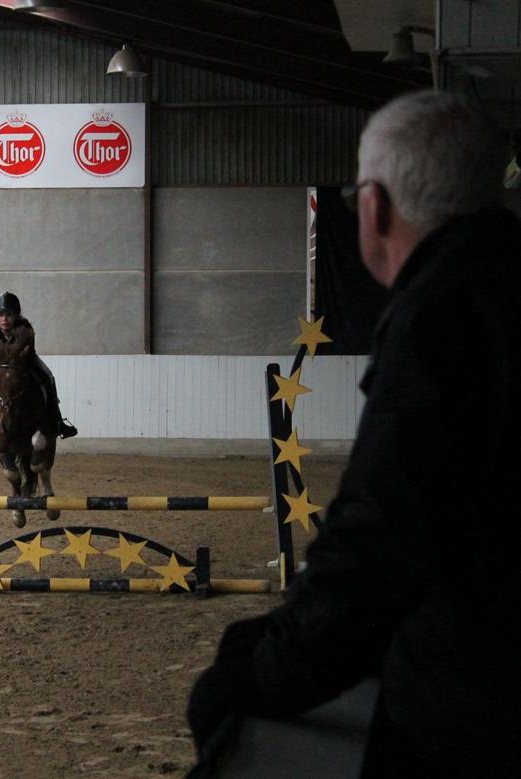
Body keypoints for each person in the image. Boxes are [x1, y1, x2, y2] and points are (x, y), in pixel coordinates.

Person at [186, 89, 521, 776]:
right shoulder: (497, 280)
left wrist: (270, 668)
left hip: (477, 711)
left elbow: (382, 536)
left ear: (376, 205)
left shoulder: (442, 316)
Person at [0, 291, 77, 462]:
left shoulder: (25, 328)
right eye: (0, 315)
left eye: (9, 315)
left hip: (22, 363)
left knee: (49, 376)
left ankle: (58, 423)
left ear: (16, 315)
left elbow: (29, 354)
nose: (4, 319)